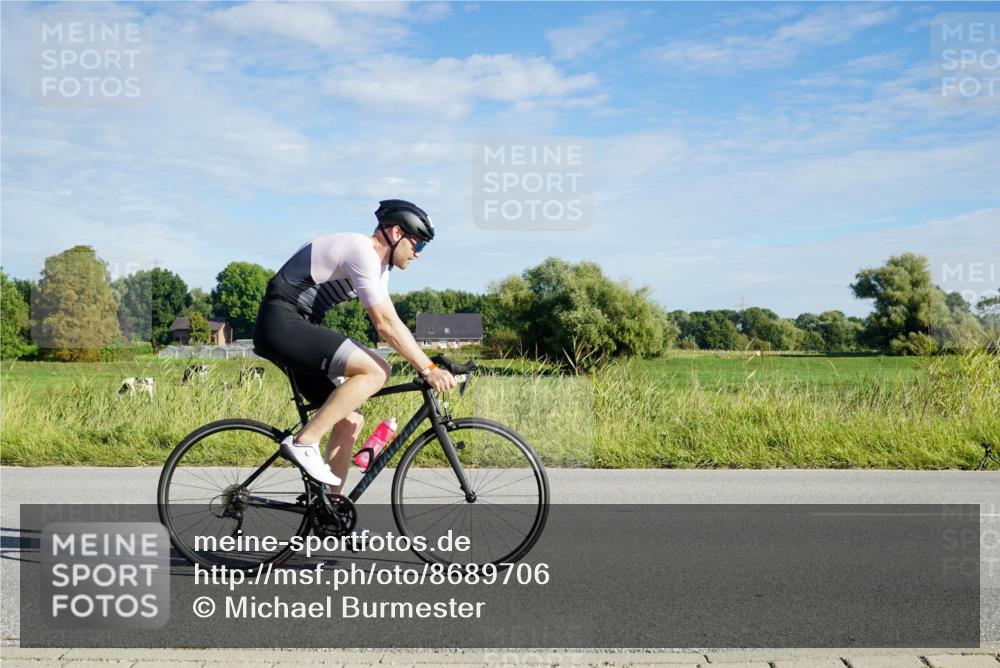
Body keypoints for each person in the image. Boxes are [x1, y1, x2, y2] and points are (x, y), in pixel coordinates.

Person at [252, 199, 456, 491]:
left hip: (293, 327)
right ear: (397, 233)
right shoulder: (362, 250)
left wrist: (431, 361)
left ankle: (331, 518)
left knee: (349, 420)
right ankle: (304, 442)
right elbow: (383, 324)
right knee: (376, 370)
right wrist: (427, 368)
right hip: (281, 321)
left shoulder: (379, 269)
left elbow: (394, 321)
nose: (418, 254)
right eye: (418, 245)